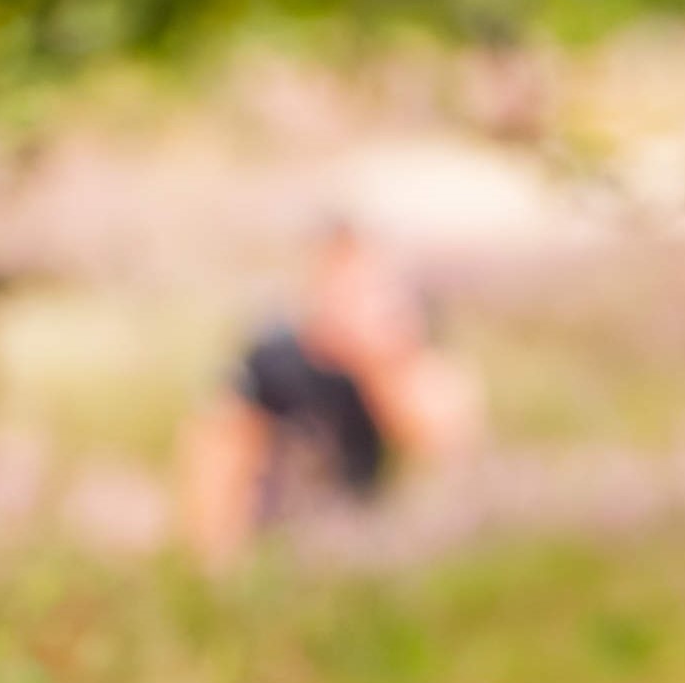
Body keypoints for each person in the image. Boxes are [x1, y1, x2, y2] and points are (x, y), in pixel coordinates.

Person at [174, 219, 478, 556]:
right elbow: (218, 451)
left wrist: (379, 360)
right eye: (336, 287)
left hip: (371, 526)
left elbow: (444, 444)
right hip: (285, 524)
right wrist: (215, 555)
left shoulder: (407, 348)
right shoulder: (275, 355)